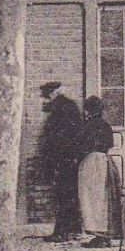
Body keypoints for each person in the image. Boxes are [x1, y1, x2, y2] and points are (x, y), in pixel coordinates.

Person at [38, 81, 85, 241]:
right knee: (69, 195)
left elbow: (60, 138)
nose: (44, 101)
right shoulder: (68, 107)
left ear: (52, 94)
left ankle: (62, 232)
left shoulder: (60, 109)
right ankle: (73, 229)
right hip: (68, 159)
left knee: (64, 196)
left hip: (63, 159)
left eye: (45, 97)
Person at [76, 95, 120, 248]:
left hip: (90, 162)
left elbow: (80, 145)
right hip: (105, 161)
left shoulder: (86, 126)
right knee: (105, 198)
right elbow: (110, 144)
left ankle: (98, 235)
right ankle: (106, 234)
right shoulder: (106, 126)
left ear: (88, 111)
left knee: (91, 198)